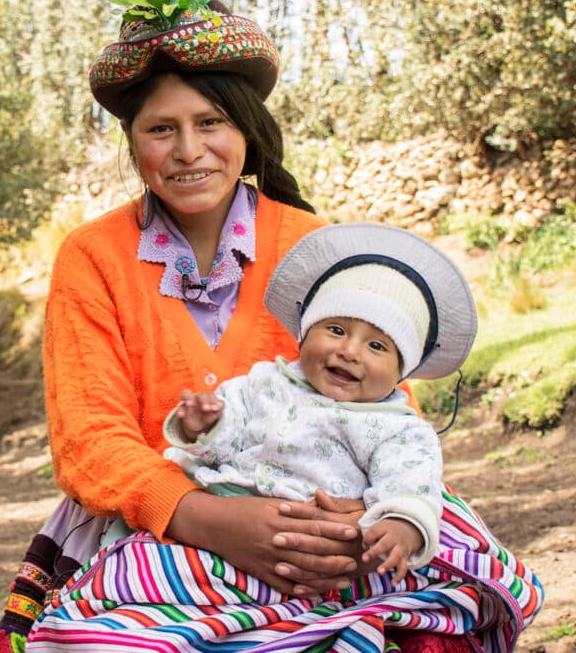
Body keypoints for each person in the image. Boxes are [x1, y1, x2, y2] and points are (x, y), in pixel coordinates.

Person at [0, 0, 542, 653]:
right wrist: (212, 521)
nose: (190, 151)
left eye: (211, 123)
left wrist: (361, 518)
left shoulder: (313, 245)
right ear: (132, 139)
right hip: (161, 527)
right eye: (162, 129)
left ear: (247, 130)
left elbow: (381, 396)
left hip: (332, 516)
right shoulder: (92, 257)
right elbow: (90, 439)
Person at [162, 223, 475, 588]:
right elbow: (222, 448)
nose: (349, 351)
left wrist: (401, 524)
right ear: (304, 335)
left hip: (327, 550)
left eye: (377, 346)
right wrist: (204, 425)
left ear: (400, 371)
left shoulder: (398, 428)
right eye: (336, 330)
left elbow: (409, 482)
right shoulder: (263, 382)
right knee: (152, 569)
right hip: (227, 523)